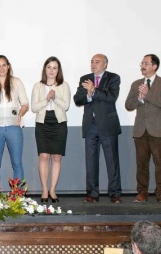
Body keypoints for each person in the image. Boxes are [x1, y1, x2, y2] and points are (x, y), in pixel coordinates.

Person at [73, 54, 122, 204]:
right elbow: (77, 99)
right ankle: (92, 194)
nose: (93, 64)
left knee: (111, 161)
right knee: (91, 162)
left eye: (97, 62)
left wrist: (94, 90)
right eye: (92, 62)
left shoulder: (113, 78)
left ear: (105, 64)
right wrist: (87, 95)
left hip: (107, 125)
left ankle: (115, 194)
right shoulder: (85, 78)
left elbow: (112, 97)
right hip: (90, 125)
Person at [0, 55, 29, 186]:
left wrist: (20, 114)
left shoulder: (17, 82)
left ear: (8, 66)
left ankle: (18, 196)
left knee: (17, 163)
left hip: (14, 127)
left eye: (4, 65)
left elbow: (25, 103)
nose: (1, 68)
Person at [31, 56, 71, 203]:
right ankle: (44, 190)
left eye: (55, 68)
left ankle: (53, 189)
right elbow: (34, 107)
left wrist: (55, 98)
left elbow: (66, 106)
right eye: (49, 67)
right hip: (43, 123)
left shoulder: (64, 85)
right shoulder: (38, 86)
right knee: (43, 156)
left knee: (56, 157)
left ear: (58, 70)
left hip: (59, 123)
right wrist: (47, 99)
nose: (52, 70)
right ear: (45, 69)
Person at [125, 54, 161, 203]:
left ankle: (160, 193)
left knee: (160, 164)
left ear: (154, 66)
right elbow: (128, 105)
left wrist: (147, 96)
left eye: (146, 63)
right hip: (140, 131)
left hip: (157, 130)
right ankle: (142, 192)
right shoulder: (136, 84)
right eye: (142, 63)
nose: (143, 65)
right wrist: (139, 98)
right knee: (141, 165)